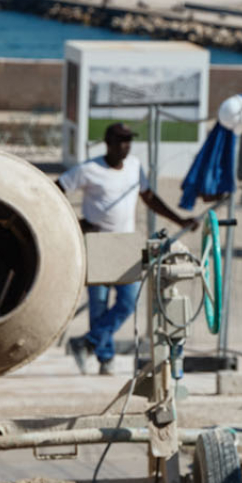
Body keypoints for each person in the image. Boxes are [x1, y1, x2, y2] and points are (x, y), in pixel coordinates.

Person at [58, 121, 198, 377]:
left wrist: (180, 220)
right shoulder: (89, 170)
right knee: (99, 304)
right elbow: (57, 190)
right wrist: (75, 223)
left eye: (128, 141)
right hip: (98, 243)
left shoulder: (134, 167)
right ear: (109, 143)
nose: (126, 146)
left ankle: (87, 342)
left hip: (126, 245)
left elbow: (149, 197)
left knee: (127, 302)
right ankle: (105, 357)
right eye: (121, 141)